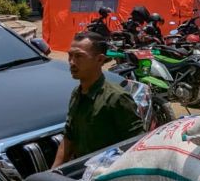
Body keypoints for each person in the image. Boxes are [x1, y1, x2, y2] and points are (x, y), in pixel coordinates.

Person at [52, 31, 144, 168]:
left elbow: (137, 145)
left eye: (79, 56)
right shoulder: (77, 94)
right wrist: (54, 172)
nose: (71, 62)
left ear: (100, 60)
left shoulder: (116, 97)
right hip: (82, 173)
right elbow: (69, 137)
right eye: (70, 56)